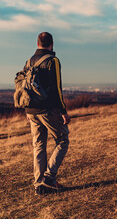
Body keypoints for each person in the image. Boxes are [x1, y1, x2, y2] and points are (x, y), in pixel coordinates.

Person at [23, 32, 71, 195]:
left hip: (31, 111)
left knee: (39, 145)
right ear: (52, 44)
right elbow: (57, 88)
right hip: (47, 110)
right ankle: (49, 177)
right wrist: (63, 111)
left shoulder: (29, 61)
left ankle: (39, 184)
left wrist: (27, 111)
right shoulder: (53, 61)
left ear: (37, 44)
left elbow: (24, 88)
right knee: (63, 139)